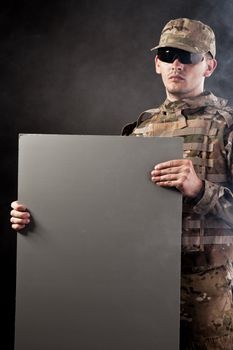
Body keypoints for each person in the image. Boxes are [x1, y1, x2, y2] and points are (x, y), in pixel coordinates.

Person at [10, 18, 233, 349]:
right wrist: (39, 219)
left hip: (210, 297)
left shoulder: (225, 128)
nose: (176, 64)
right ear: (157, 63)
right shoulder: (138, 133)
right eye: (169, 54)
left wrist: (201, 190)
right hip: (143, 290)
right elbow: (108, 214)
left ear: (209, 66)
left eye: (188, 56)